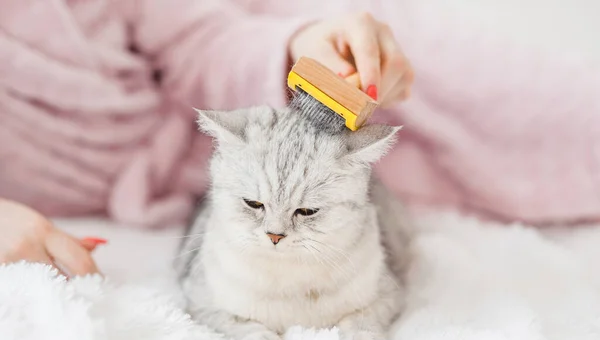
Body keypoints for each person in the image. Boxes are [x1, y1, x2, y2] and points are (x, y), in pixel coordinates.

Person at [1, 0, 598, 276]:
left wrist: (303, 44)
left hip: (271, 52)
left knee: (555, 111)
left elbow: (197, 41)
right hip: (224, 160)